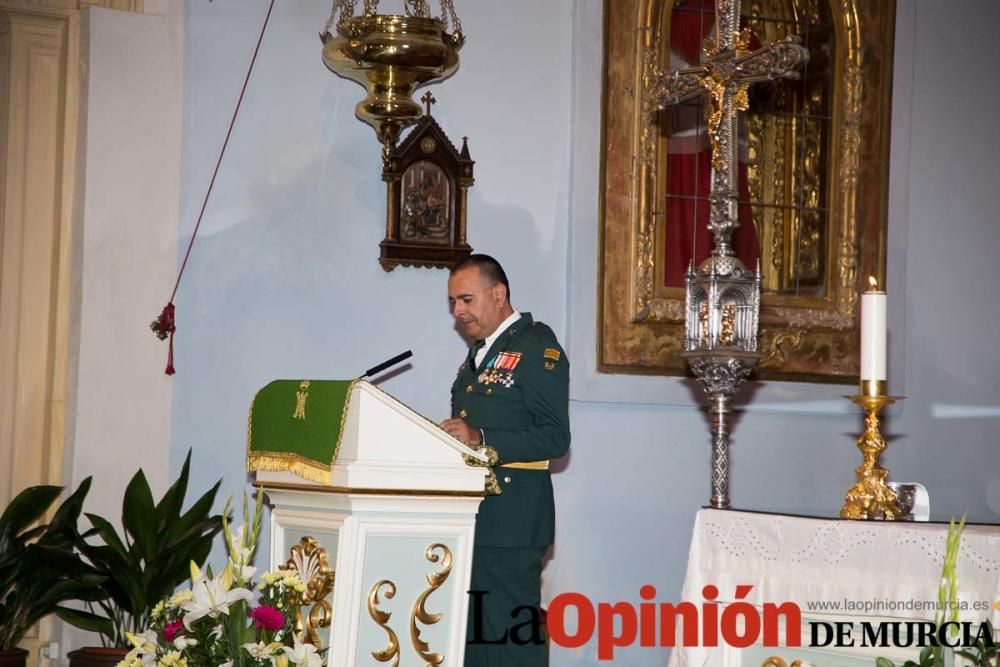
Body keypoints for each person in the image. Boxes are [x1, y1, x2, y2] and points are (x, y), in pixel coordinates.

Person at [440, 254, 570, 667]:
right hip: (473, 517)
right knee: (475, 642)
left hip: (513, 520)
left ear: (499, 294)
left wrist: (483, 438)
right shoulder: (477, 356)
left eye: (466, 299)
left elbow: (555, 437)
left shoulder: (536, 345)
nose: (458, 311)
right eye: (453, 303)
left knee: (511, 643)